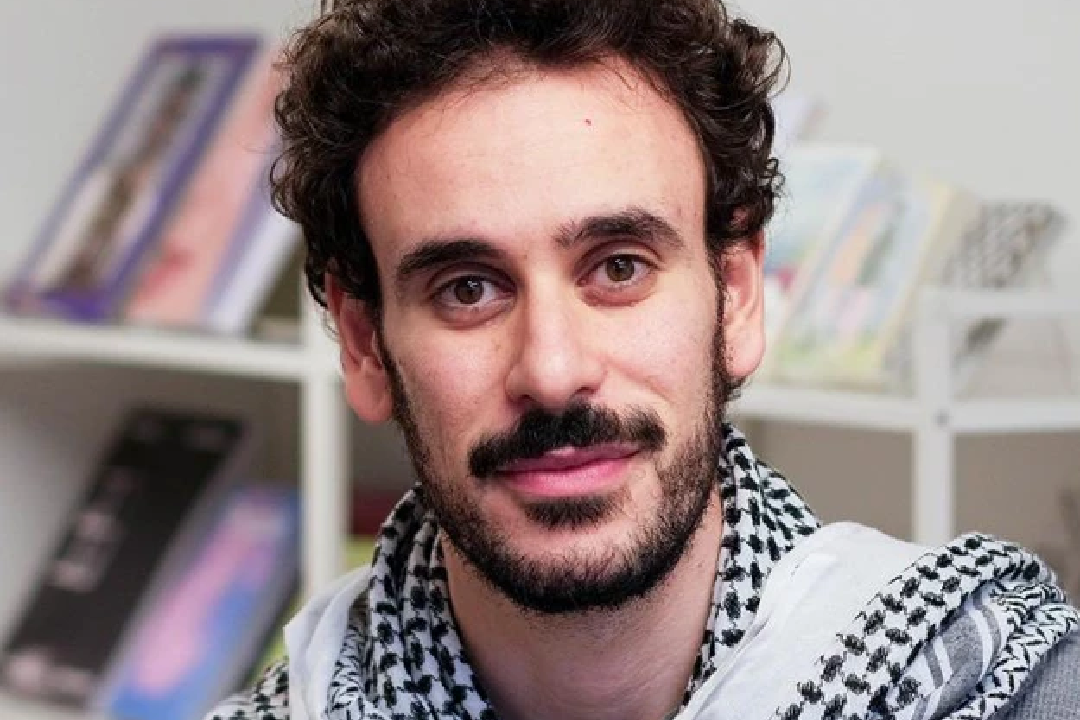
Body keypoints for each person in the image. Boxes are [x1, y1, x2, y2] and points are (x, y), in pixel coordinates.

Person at [207, 1, 1080, 718]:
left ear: (736, 296)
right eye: (468, 289)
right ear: (365, 345)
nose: (553, 371)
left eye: (619, 268)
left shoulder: (1010, 688)